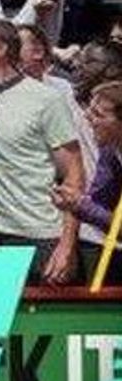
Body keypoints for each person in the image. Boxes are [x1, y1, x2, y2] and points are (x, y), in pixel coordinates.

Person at [0, 19, 85, 285]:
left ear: (0, 49)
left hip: (43, 236)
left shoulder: (46, 100)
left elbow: (74, 175)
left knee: (45, 315)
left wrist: (67, 245)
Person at [53, 81, 122, 285]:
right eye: (90, 110)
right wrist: (75, 204)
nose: (87, 117)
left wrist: (81, 205)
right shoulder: (110, 151)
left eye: (98, 114)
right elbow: (97, 202)